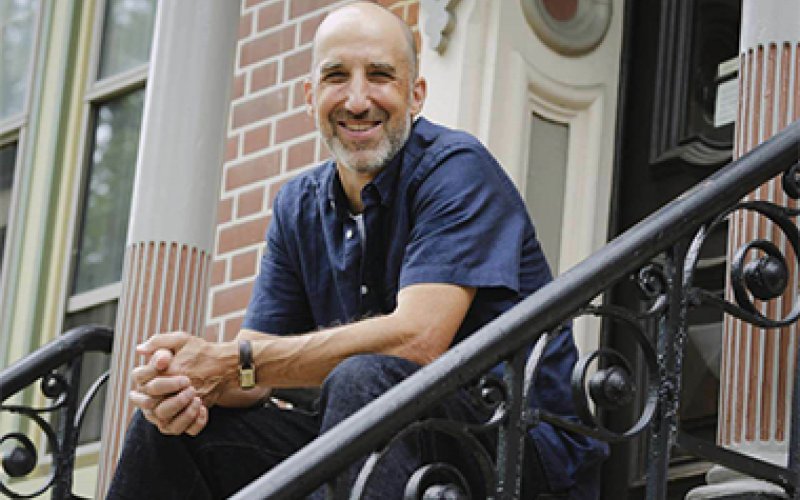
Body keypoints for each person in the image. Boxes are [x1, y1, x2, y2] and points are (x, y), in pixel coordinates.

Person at [107, 2, 607, 499]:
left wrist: (230, 361)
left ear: (416, 95)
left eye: (381, 76)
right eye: (336, 76)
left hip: (517, 446)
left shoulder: (457, 169)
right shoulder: (297, 206)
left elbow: (416, 341)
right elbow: (253, 375)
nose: (358, 99)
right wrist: (187, 384)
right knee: (173, 430)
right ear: (310, 96)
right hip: (362, 441)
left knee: (364, 377)